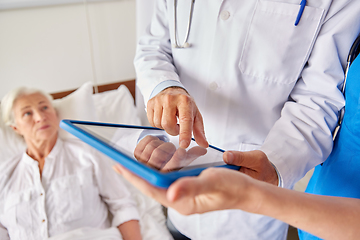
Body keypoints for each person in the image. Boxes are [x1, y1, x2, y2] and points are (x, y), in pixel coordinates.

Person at [134, 0, 360, 239]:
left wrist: (275, 165)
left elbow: (318, 99)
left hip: (252, 215)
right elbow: (153, 46)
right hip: (177, 189)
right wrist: (163, 86)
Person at [0, 87, 142, 240]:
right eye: (27, 113)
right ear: (15, 127)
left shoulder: (88, 153)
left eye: (45, 107)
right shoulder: (5, 176)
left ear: (55, 113)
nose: (40, 117)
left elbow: (123, 205)